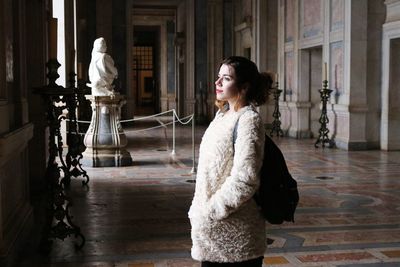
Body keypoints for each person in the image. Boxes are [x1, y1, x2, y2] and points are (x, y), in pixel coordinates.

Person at [188, 56, 273, 266]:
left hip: (236, 236)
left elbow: (245, 180)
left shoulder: (248, 120)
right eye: (218, 77)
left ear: (243, 87)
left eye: (225, 78)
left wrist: (209, 213)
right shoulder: (223, 115)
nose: (217, 83)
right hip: (212, 235)